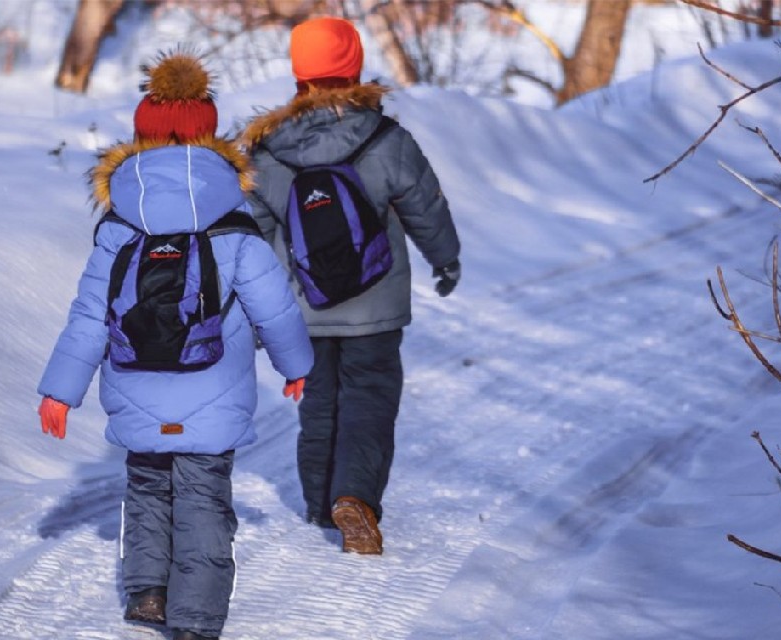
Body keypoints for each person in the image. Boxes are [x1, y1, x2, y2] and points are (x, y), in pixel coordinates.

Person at [36, 51, 313, 640]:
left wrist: (60, 391)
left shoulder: (118, 225)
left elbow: (89, 315)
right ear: (212, 139)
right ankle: (197, 619)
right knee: (205, 499)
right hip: (213, 388)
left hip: (136, 385)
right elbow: (275, 308)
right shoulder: (234, 221)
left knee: (146, 486)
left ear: (139, 139)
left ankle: (148, 594)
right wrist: (297, 365)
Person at [241, 17, 462, 555]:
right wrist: (446, 259)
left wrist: (261, 309)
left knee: (319, 402)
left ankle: (321, 503)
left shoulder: (266, 152)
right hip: (376, 303)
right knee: (369, 398)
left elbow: (256, 237)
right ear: (354, 68)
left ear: (299, 76)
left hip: (303, 306)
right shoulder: (385, 138)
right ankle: (355, 498)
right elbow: (424, 206)